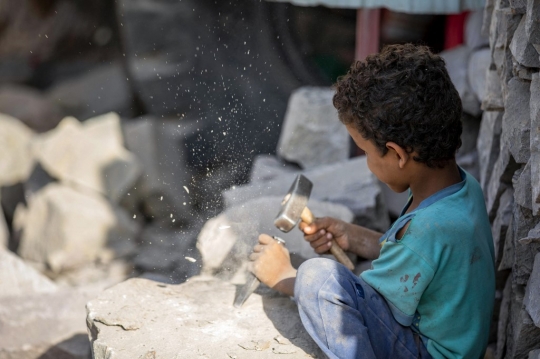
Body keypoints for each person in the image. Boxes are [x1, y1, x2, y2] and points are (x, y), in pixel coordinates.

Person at [248, 44, 495, 359]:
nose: (365, 162)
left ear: (397, 154)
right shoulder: (461, 188)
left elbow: (370, 305)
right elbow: (422, 260)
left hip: (426, 352)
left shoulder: (428, 230)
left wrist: (286, 278)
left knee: (318, 277)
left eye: (364, 151)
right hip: (460, 345)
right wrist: (354, 237)